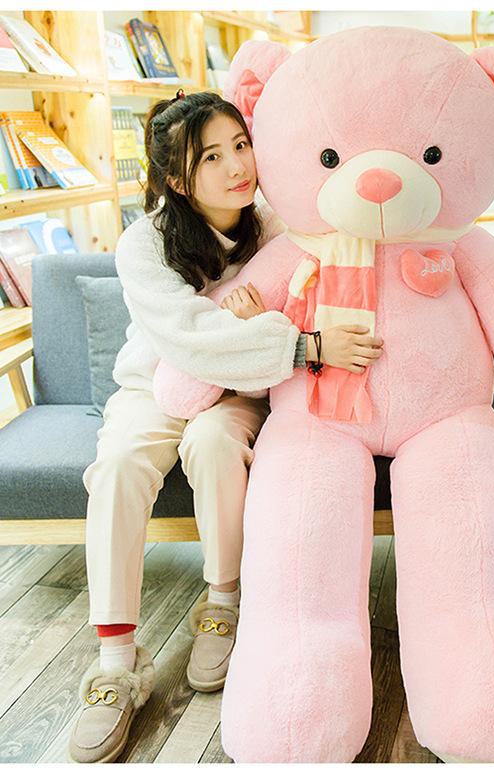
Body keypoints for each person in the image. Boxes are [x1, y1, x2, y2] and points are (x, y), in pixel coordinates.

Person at [68, 90, 383, 763]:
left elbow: (295, 308)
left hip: (241, 389)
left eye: (241, 145)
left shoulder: (274, 226)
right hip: (152, 385)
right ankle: (116, 661)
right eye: (212, 157)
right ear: (179, 180)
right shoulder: (144, 243)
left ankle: (222, 602)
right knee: (119, 463)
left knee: (214, 442)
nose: (238, 165)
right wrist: (300, 344)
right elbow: (188, 335)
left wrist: (264, 333)